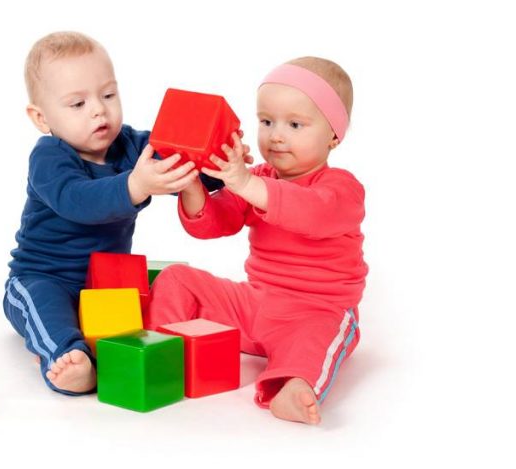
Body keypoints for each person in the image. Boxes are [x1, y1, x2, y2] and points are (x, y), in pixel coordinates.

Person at [144, 57, 368, 424]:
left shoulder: (342, 187)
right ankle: (159, 351)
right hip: (254, 305)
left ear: (333, 136)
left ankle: (293, 387)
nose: (276, 135)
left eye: (294, 124)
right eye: (266, 121)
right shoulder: (259, 177)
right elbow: (215, 222)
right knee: (176, 279)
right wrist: (193, 185)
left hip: (315, 311)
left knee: (313, 342)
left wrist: (246, 183)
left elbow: (310, 212)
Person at [3, 31, 220, 395]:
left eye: (108, 95)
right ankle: (69, 357)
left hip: (107, 284)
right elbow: (79, 201)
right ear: (41, 118)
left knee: (155, 304)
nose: (99, 110)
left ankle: (139, 350)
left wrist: (219, 166)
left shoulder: (132, 145)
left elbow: (178, 162)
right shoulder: (49, 157)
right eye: (77, 104)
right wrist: (135, 185)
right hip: (44, 277)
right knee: (45, 307)